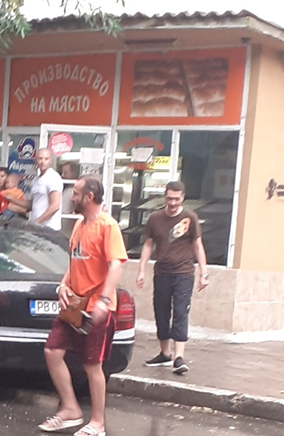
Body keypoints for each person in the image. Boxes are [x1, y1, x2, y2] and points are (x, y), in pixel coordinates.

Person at [40, 175, 127, 436]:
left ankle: (97, 423)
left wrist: (102, 301)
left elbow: (116, 265)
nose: (72, 197)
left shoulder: (108, 226)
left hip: (96, 309)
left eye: (76, 193)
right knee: (52, 351)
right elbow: (74, 262)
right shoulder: (79, 225)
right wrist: (63, 286)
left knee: (92, 366)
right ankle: (70, 409)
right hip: (73, 305)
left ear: (89, 197)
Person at [136, 181, 209, 374]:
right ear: (164, 197)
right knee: (161, 311)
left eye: (176, 199)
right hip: (162, 272)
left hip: (183, 273)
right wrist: (142, 269)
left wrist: (204, 272)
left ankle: (179, 357)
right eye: (169, 198)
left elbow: (198, 246)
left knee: (180, 312)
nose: (173, 202)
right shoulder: (155, 218)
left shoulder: (190, 218)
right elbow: (148, 245)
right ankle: (164, 353)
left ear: (182, 198)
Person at [26, 148, 63, 230]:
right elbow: (31, 205)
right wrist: (9, 200)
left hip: (49, 228)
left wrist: (36, 223)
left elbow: (55, 206)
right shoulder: (35, 180)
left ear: (50, 160)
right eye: (40, 158)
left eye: (46, 159)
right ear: (36, 160)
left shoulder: (53, 177)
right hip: (37, 228)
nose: (43, 161)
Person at [60, 162, 79, 236]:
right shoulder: (66, 189)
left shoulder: (76, 192)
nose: (62, 175)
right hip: (62, 232)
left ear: (73, 173)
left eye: (65, 173)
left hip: (68, 233)